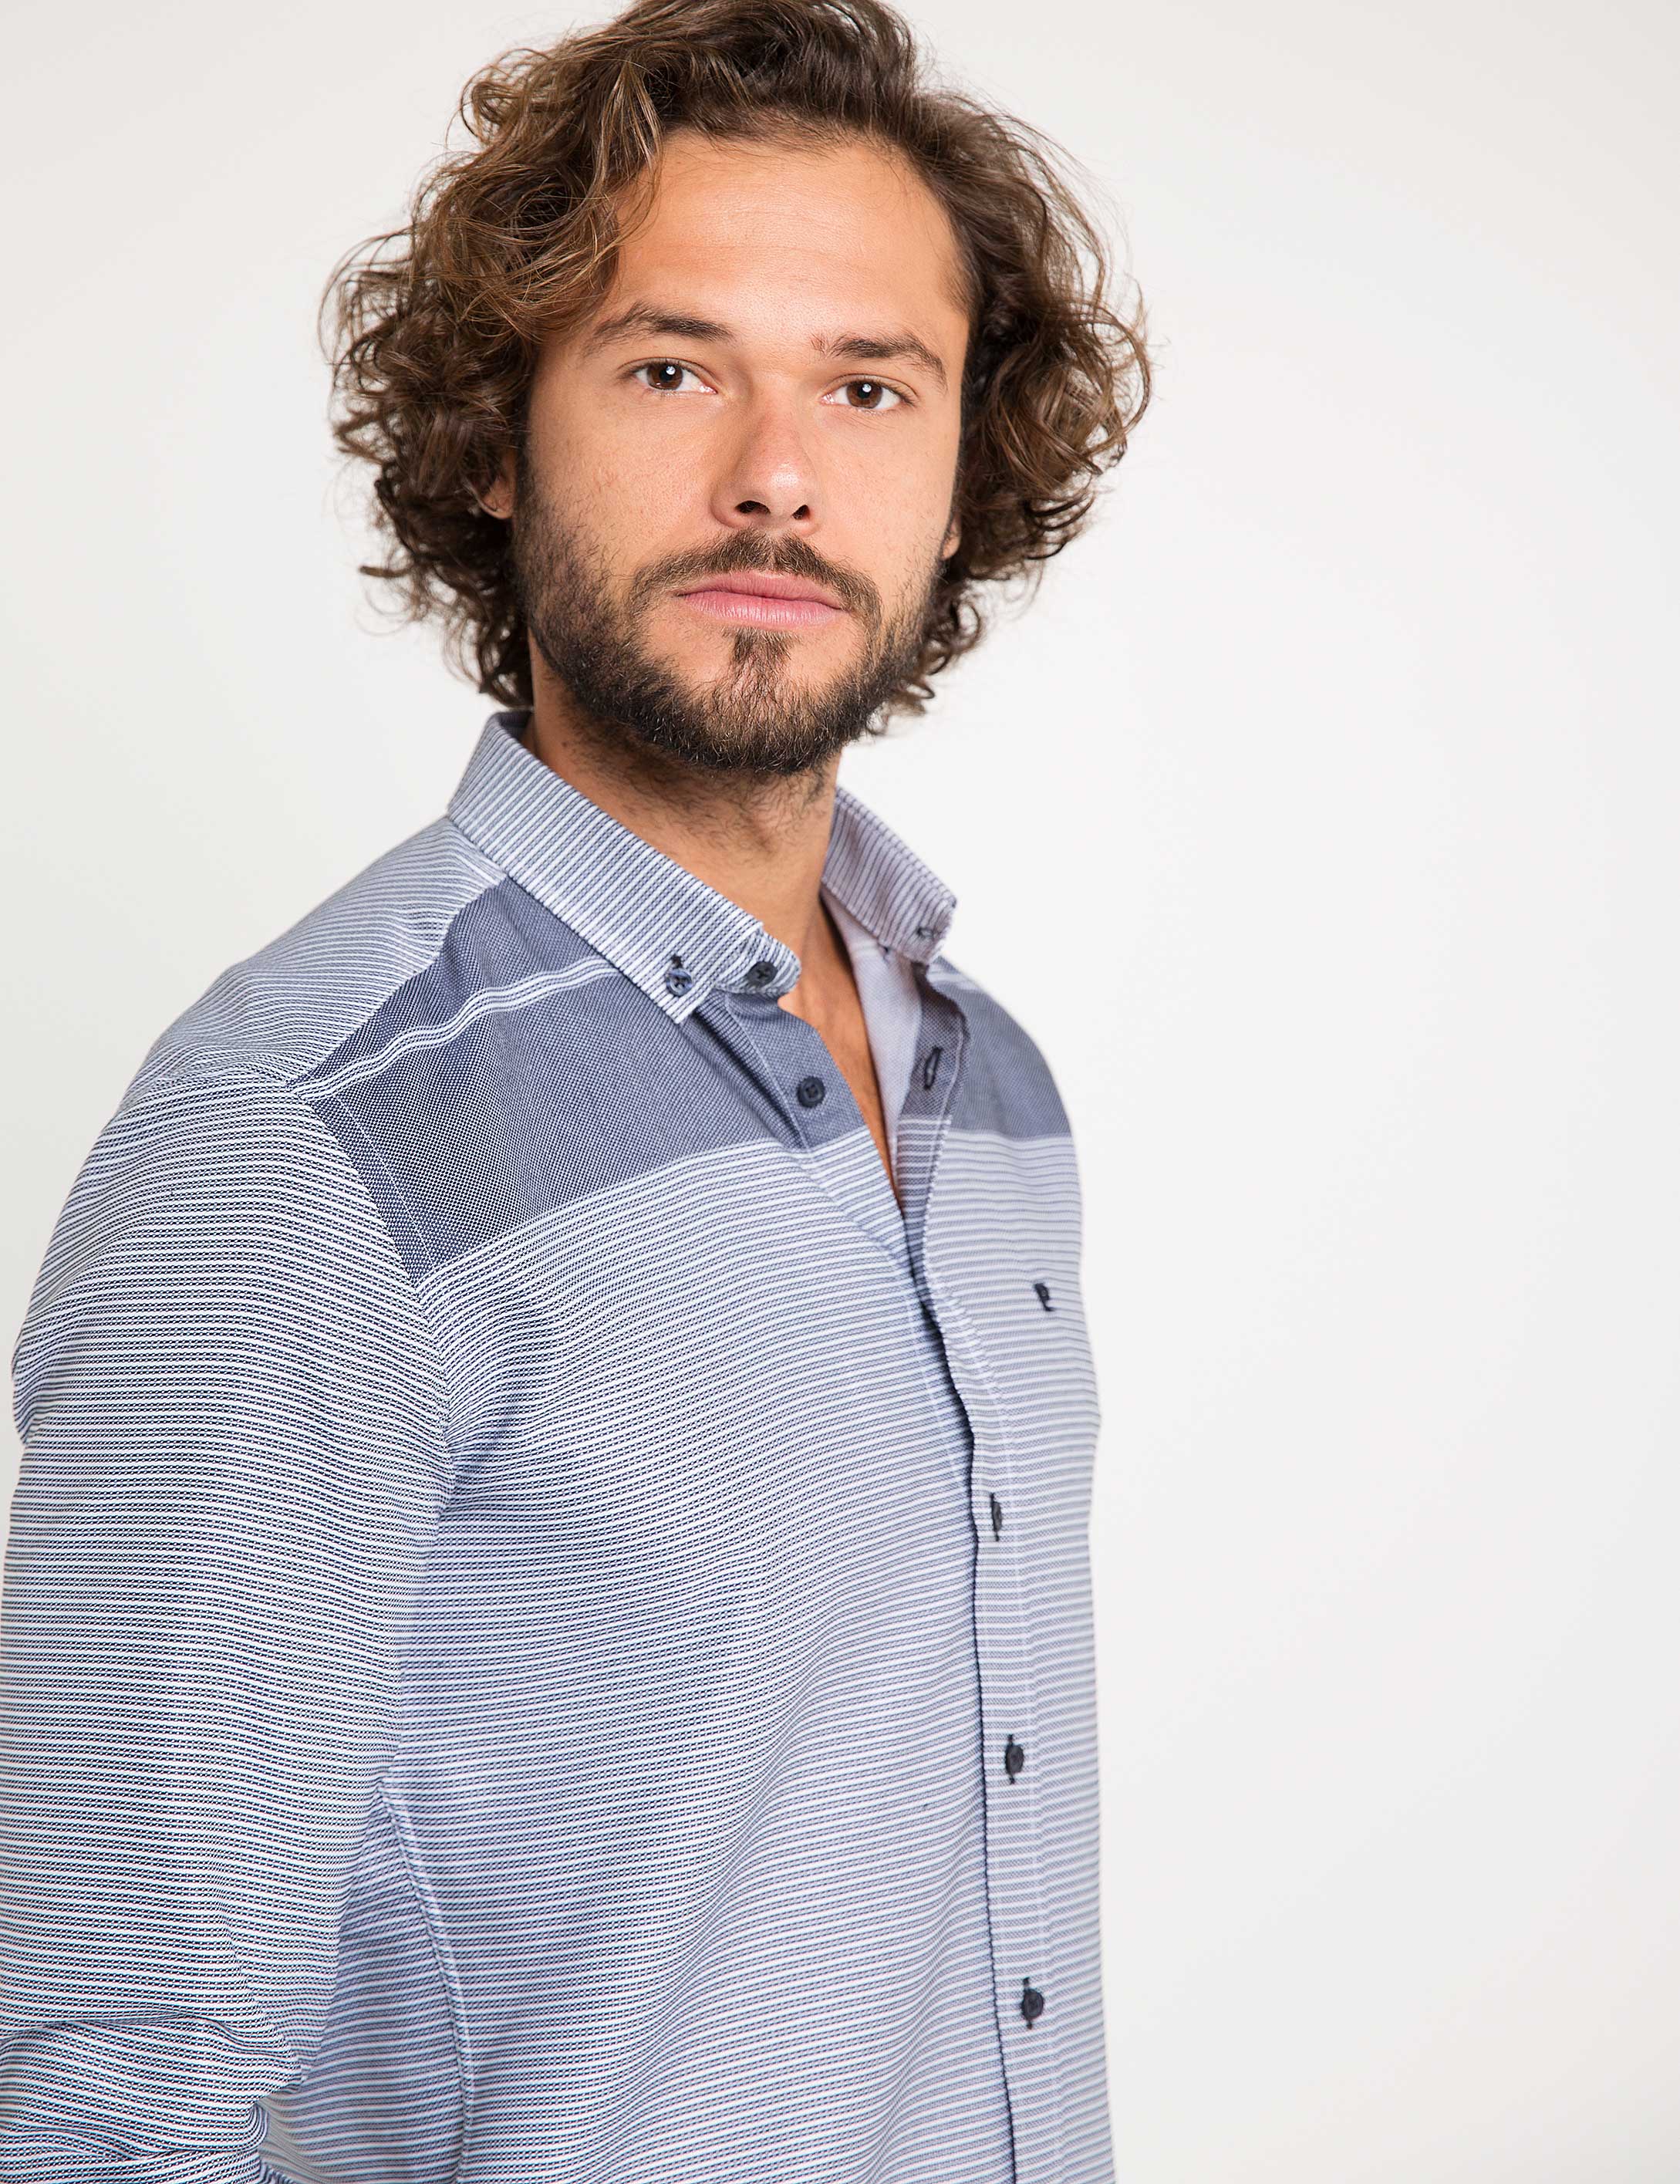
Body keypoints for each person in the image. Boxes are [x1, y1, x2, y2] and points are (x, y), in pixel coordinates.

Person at [2, 1, 1149, 2177]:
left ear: (961, 471)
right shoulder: (309, 1140)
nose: (776, 472)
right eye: (670, 367)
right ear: (492, 445)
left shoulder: (990, 1093)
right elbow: (106, 2091)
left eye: (868, 385)